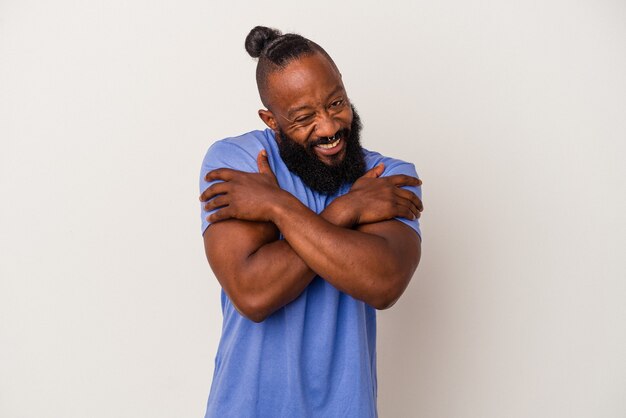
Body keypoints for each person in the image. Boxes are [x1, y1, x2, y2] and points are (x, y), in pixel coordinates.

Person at [198, 26, 423, 418]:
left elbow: (383, 284)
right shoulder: (237, 162)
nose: (330, 127)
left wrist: (276, 207)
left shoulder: (387, 177)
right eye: (304, 118)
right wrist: (345, 211)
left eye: (336, 103)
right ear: (272, 120)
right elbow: (254, 293)